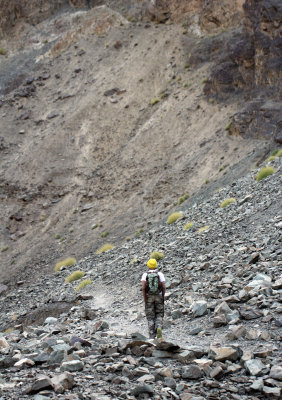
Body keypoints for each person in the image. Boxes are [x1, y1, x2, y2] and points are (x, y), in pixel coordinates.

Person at [141, 259, 165, 339]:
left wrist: (145, 298)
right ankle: (158, 327)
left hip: (149, 297)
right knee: (159, 314)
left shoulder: (145, 275)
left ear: (148, 265)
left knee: (150, 316)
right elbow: (164, 286)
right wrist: (162, 296)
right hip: (158, 296)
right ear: (156, 265)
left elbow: (144, 287)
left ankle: (151, 336)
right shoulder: (160, 274)